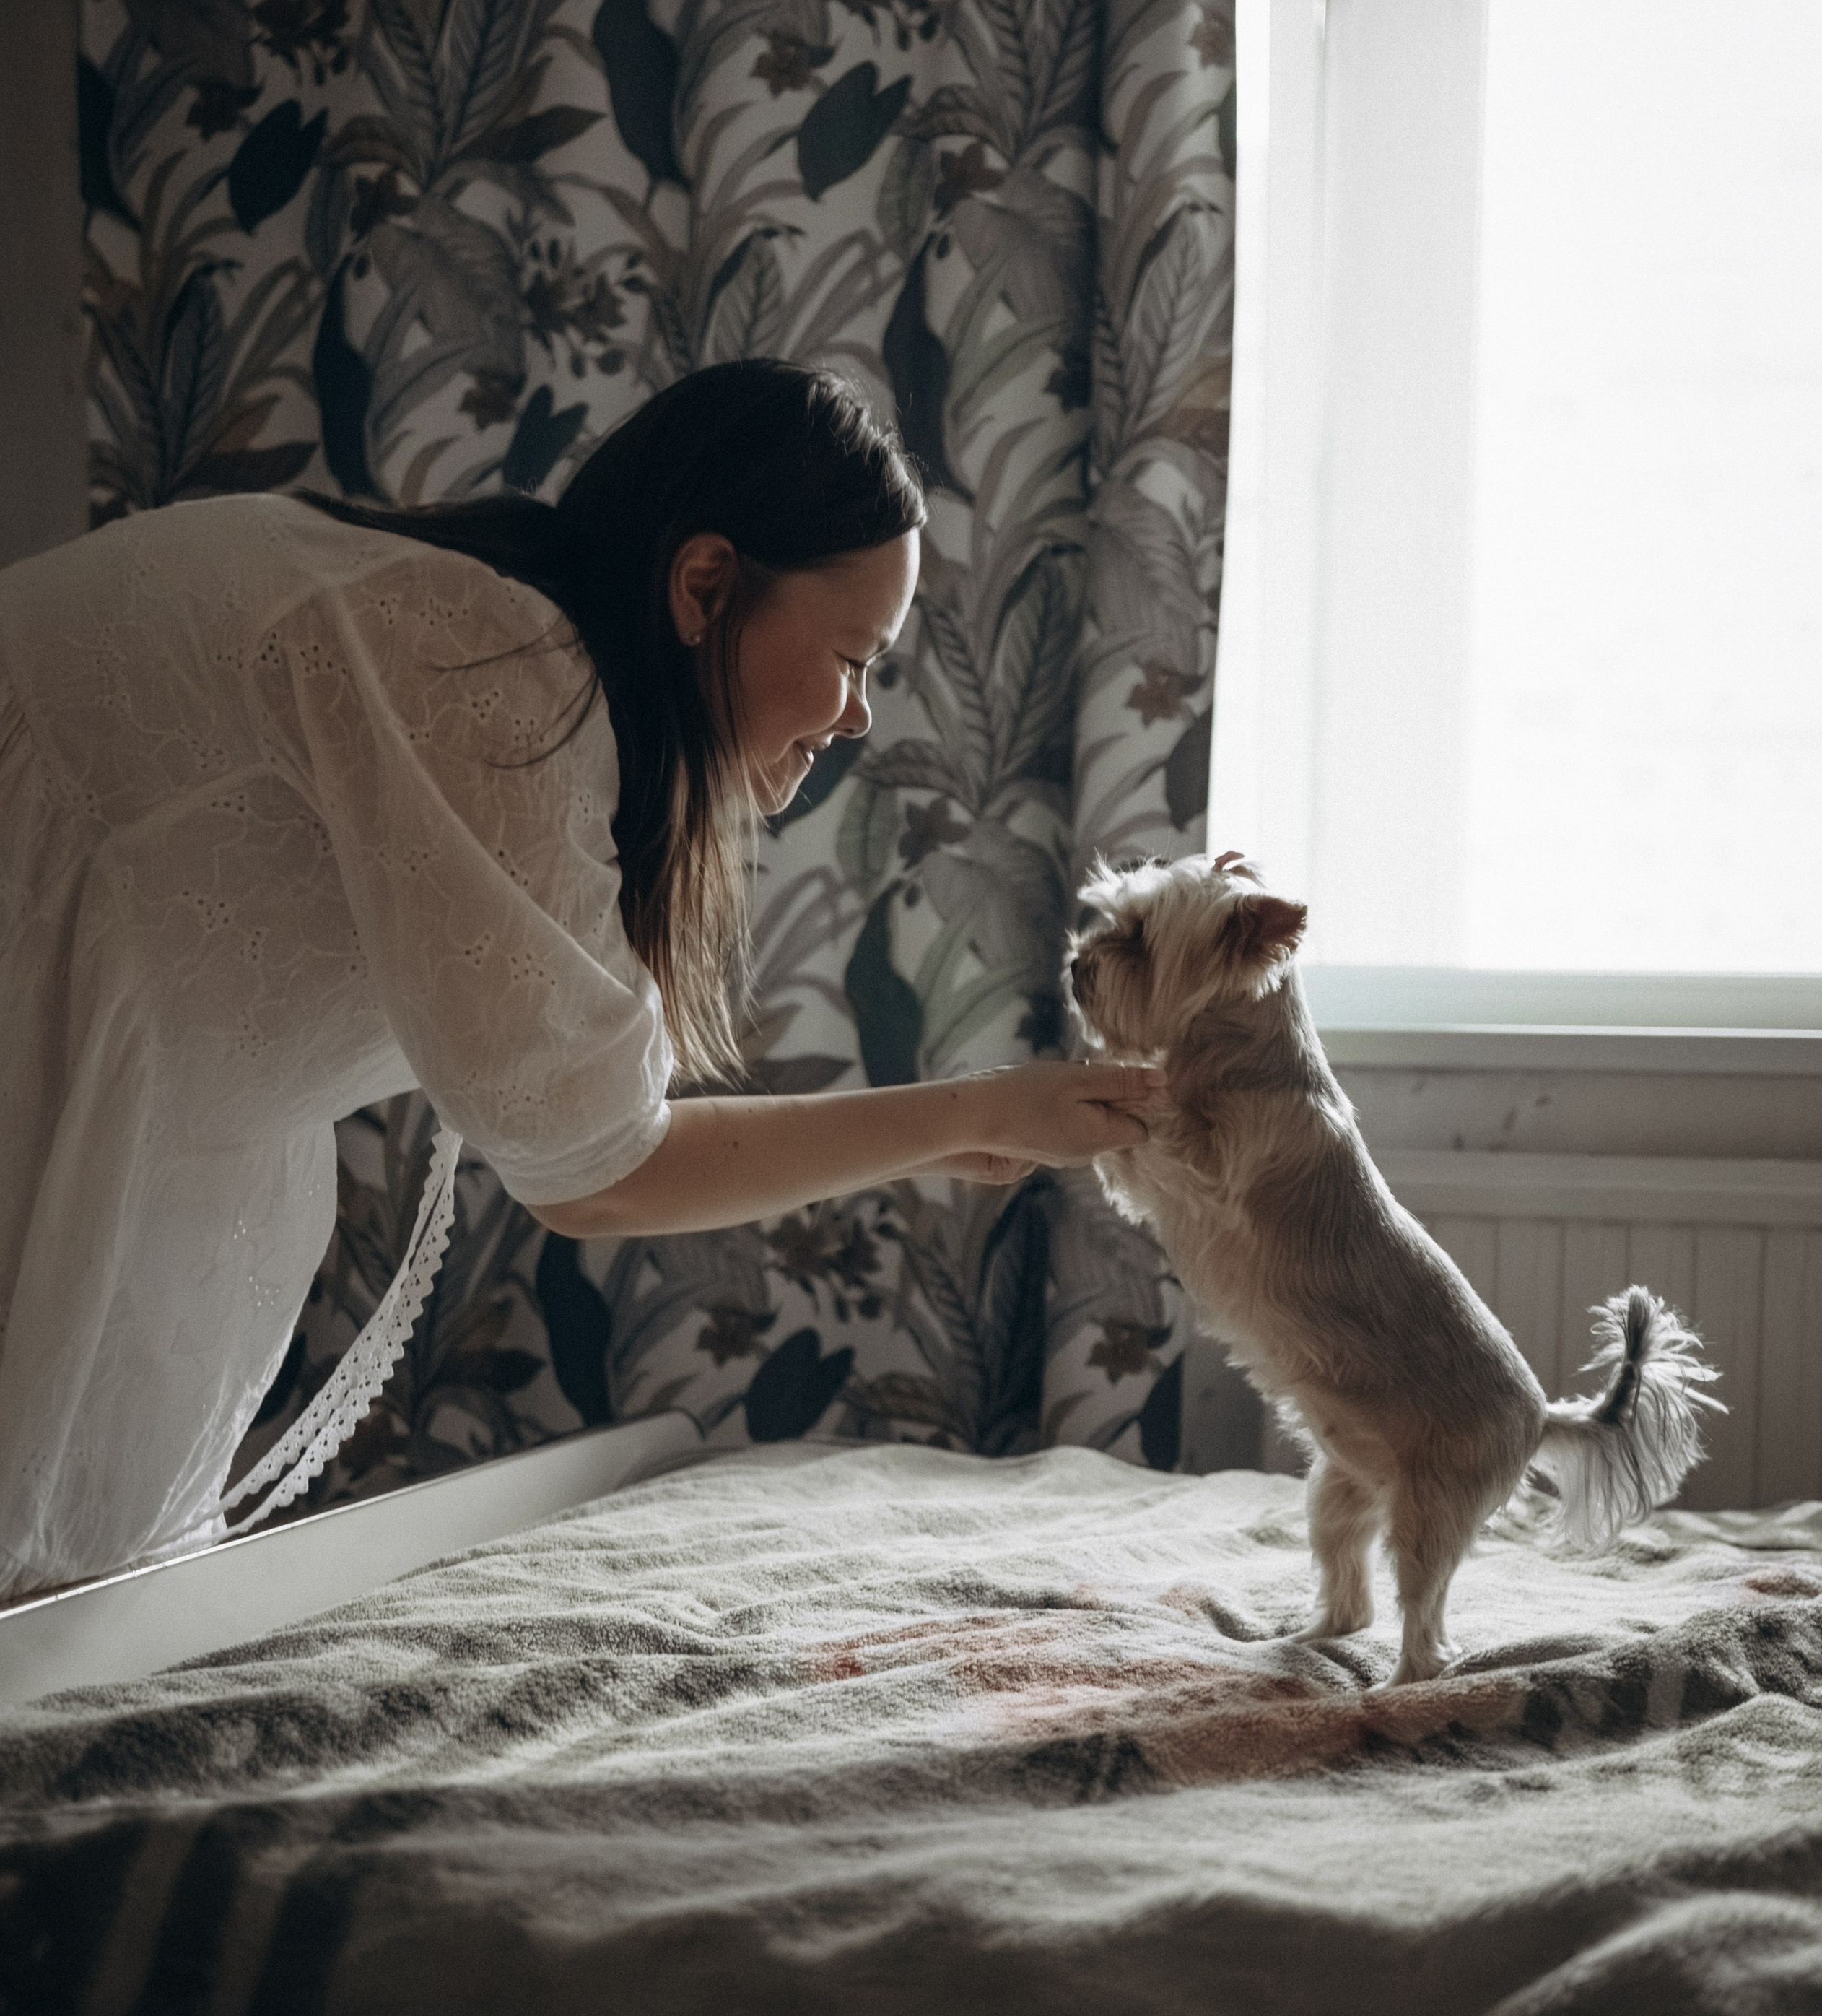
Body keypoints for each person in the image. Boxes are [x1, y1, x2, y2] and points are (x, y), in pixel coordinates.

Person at [0, 360, 1157, 1597]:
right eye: (853, 655)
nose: (861, 715)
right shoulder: (489, 663)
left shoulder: (534, 684)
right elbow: (602, 1173)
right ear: (706, 584)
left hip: (127, 1089)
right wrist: (970, 1114)